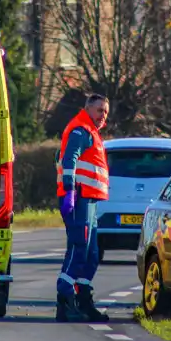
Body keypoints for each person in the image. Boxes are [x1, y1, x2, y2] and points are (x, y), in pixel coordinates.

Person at [54, 94, 111, 323]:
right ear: (87, 108)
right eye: (99, 110)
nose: (102, 116)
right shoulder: (80, 130)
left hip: (90, 199)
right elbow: (70, 160)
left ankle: (83, 300)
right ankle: (65, 299)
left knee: (92, 254)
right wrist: (69, 191)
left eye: (105, 112)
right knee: (79, 248)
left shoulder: (91, 131)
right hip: (79, 198)